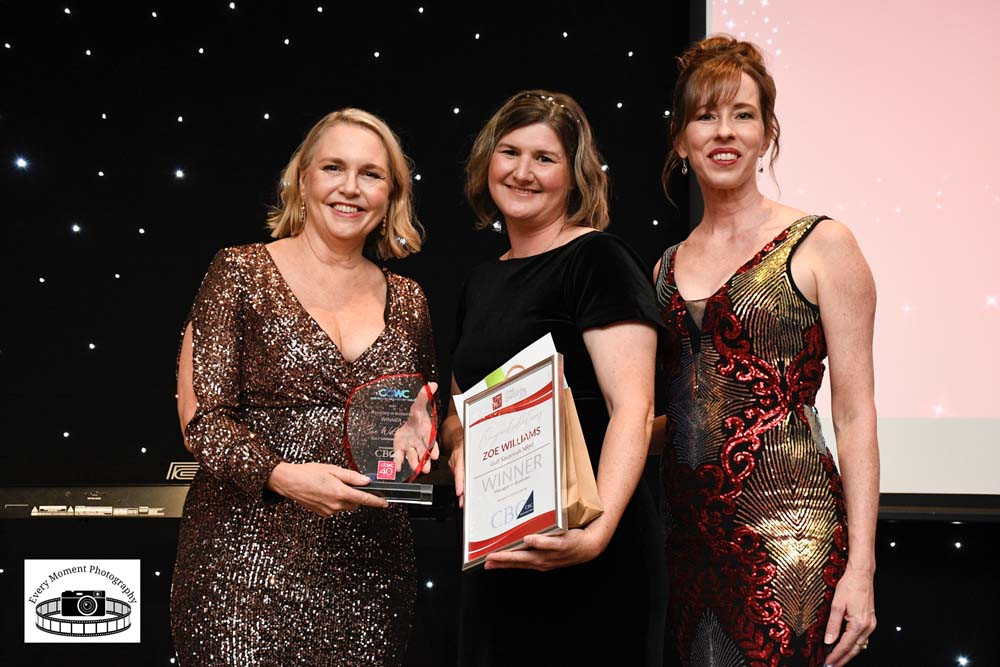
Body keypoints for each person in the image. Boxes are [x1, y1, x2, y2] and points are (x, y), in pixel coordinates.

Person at [170, 108, 438, 666]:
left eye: (371, 174)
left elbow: (414, 416)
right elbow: (205, 422)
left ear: (392, 195)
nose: (350, 188)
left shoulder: (410, 298)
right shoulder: (240, 271)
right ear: (302, 179)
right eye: (333, 168)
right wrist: (281, 477)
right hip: (244, 561)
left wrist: (424, 435)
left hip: (370, 568)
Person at [653, 36, 879, 667]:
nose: (724, 132)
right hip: (689, 548)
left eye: (743, 114)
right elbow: (680, 416)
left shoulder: (823, 244)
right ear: (680, 139)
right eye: (705, 115)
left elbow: (855, 415)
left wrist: (861, 568)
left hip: (791, 545)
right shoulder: (663, 269)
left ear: (766, 132)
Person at [442, 89, 666, 666]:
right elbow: (459, 412)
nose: (522, 172)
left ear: (574, 176)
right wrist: (457, 438)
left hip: (590, 548)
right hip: (499, 551)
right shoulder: (480, 282)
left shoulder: (599, 259)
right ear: (487, 162)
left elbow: (634, 411)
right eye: (509, 152)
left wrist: (594, 537)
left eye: (544, 158)